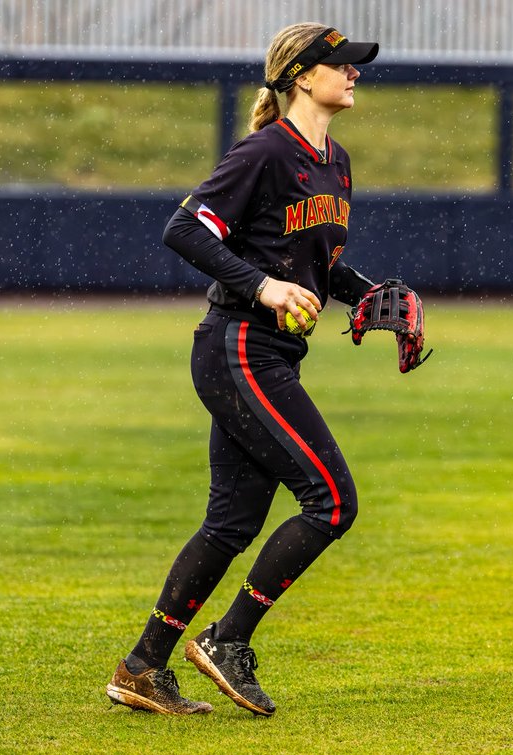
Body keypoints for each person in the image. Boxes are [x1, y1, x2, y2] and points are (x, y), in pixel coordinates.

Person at [106, 22, 414, 716]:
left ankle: (142, 667)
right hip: (237, 344)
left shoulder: (335, 162)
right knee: (333, 501)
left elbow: (318, 266)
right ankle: (228, 640)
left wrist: (366, 293)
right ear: (302, 75)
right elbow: (183, 229)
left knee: (232, 522)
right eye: (342, 65)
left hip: (268, 352)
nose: (354, 73)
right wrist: (263, 287)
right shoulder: (265, 153)